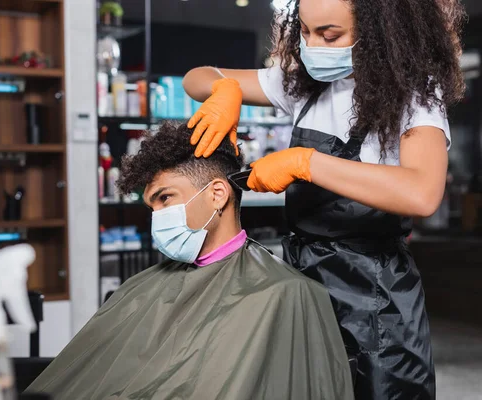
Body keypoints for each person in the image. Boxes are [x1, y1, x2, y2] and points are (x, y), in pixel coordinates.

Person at [181, 0, 466, 399]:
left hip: (375, 305)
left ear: (379, 31)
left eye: (330, 35)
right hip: (305, 290)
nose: (313, 46)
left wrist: (305, 163)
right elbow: (194, 78)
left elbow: (421, 192)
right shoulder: (303, 84)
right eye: (306, 33)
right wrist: (224, 89)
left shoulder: (414, 92)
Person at [25, 122, 354, 400]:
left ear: (217, 194)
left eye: (165, 198)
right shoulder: (140, 287)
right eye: (152, 207)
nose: (158, 217)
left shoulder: (285, 294)